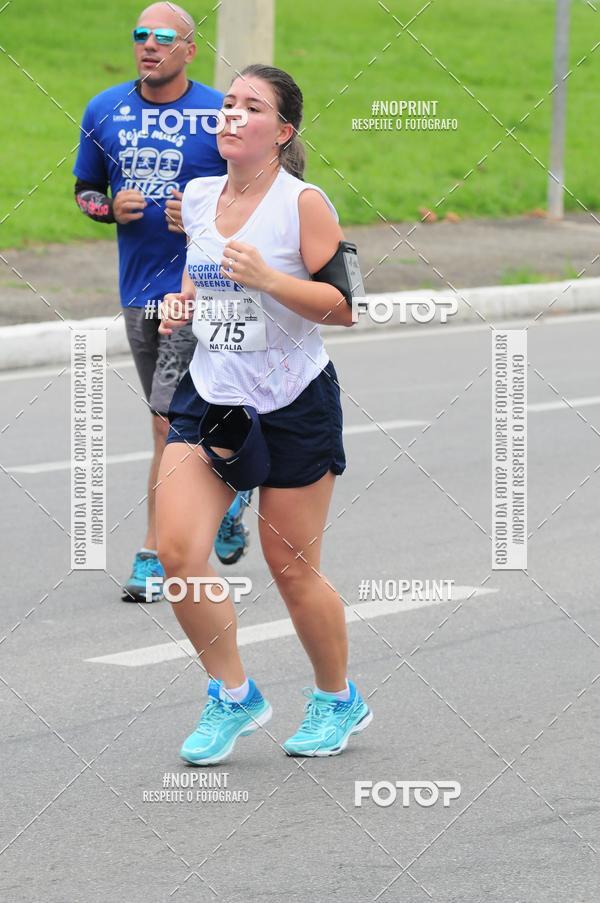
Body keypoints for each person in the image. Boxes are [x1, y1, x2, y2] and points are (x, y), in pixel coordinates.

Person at [156, 64, 373, 764]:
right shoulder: (196, 195)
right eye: (226, 103)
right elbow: (200, 266)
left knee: (291, 566)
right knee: (178, 552)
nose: (230, 114)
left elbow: (347, 307)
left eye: (250, 107)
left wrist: (272, 279)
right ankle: (233, 693)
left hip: (293, 402)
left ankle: (338, 698)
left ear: (280, 132)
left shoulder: (305, 202)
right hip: (212, 395)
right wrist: (184, 302)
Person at [72, 2, 251, 604]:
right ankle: (231, 487)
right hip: (139, 290)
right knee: (184, 419)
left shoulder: (216, 113)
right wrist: (106, 208)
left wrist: (206, 215)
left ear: (188, 50)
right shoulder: (105, 110)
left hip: (204, 288)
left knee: (166, 423)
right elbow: (85, 189)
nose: (149, 46)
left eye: (163, 38)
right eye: (140, 36)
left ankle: (152, 554)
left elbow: (258, 185)